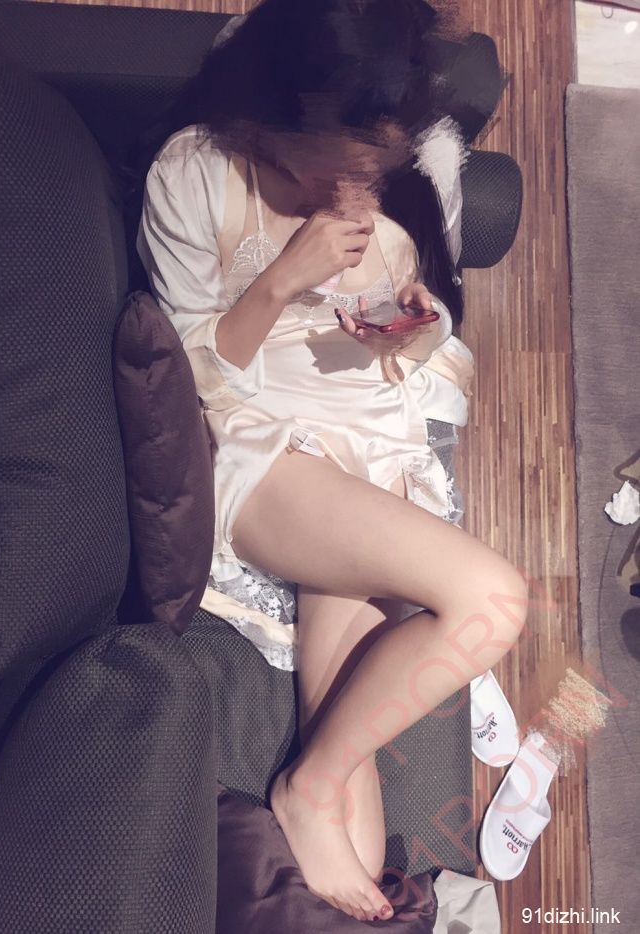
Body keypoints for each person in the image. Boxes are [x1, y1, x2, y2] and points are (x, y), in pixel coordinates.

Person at [136, 0, 528, 923]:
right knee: (493, 600)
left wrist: (411, 326)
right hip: (265, 442)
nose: (358, 183)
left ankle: (319, 803)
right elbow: (195, 373)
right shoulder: (195, 172)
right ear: (278, 116)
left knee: (353, 797)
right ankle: (304, 788)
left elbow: (398, 327)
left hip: (366, 434)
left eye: (375, 165)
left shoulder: (383, 180)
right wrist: (283, 278)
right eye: (342, 159)